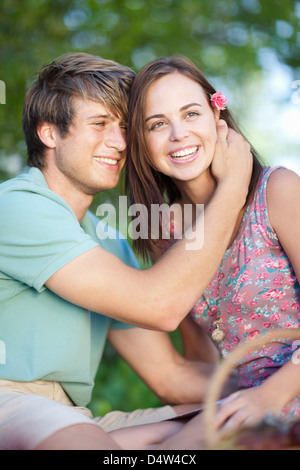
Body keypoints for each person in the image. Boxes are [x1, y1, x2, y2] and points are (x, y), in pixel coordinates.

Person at [0, 52, 252, 450]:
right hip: (9, 401)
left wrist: (274, 383)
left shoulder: (105, 239)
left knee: (248, 422)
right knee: (81, 439)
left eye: (124, 127)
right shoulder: (17, 207)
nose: (119, 143)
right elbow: (161, 306)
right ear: (49, 133)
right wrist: (234, 187)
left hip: (72, 416)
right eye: (99, 124)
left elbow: (169, 375)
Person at [126, 55, 300, 436]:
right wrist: (184, 418)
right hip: (242, 397)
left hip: (286, 391)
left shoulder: (278, 191)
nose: (178, 135)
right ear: (142, 142)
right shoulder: (164, 232)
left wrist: (269, 395)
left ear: (216, 115)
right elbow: (200, 351)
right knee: (108, 444)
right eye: (157, 124)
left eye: (191, 114)